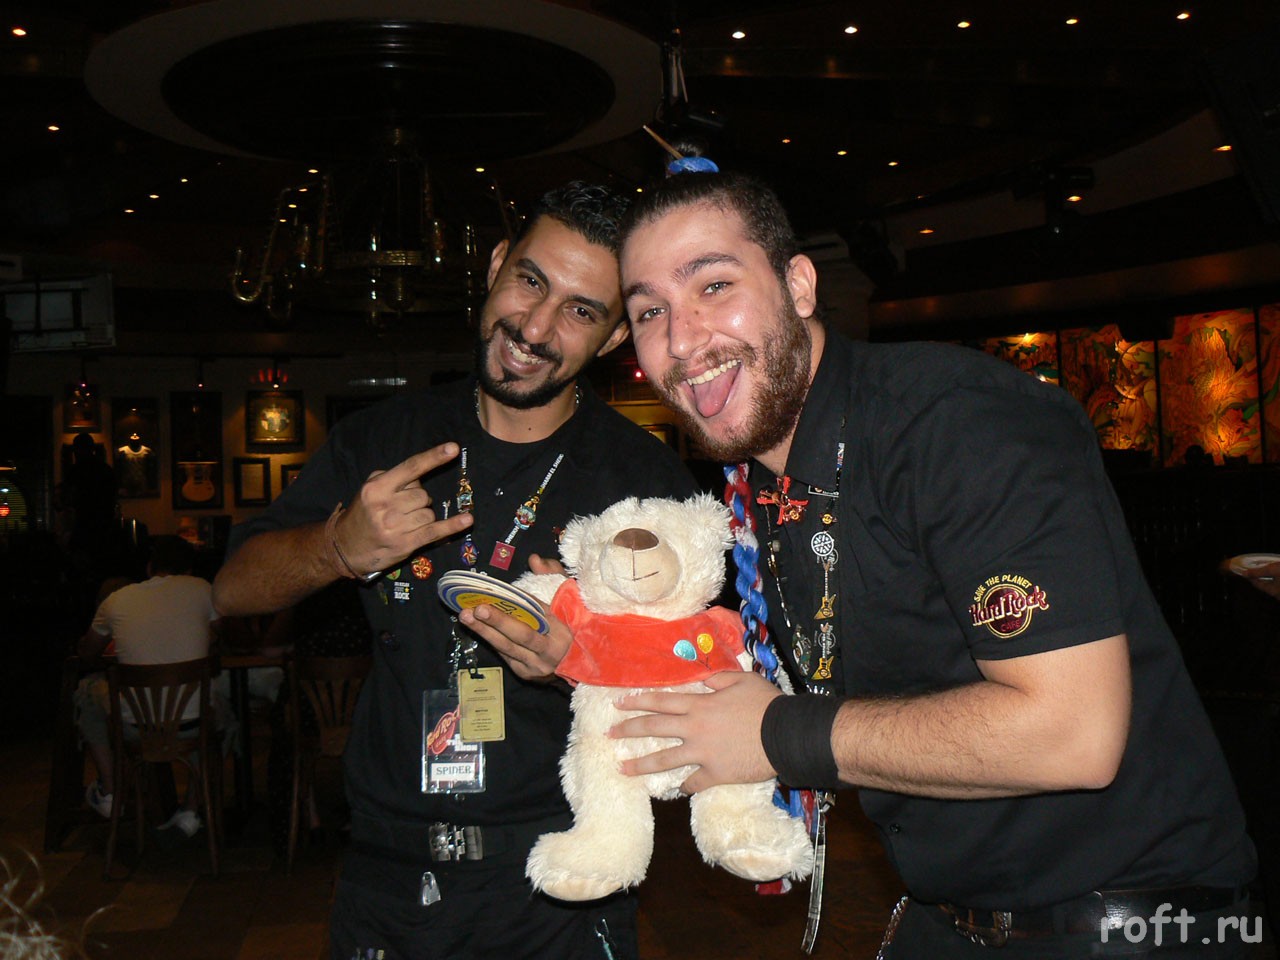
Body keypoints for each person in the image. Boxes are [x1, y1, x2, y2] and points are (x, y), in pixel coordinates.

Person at [605, 171, 1258, 957]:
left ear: (800, 286)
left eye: (713, 285)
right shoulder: (762, 490)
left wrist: (778, 734)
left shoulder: (956, 422)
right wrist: (579, 651)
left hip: (1133, 925)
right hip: (948, 919)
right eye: (649, 311)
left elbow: (1074, 733)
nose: (682, 339)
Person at [212, 181, 696, 960]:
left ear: (612, 337)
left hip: (559, 878)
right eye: (530, 280)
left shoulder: (644, 482)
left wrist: (580, 661)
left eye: (580, 311)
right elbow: (232, 589)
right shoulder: (382, 438)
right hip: (387, 875)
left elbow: (690, 684)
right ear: (497, 264)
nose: (534, 327)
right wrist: (338, 546)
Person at [76, 534, 221, 838]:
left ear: (149, 567)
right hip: (192, 725)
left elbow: (87, 653)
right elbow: (222, 634)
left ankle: (111, 789)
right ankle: (191, 810)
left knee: (88, 691)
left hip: (135, 727)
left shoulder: (116, 600)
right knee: (220, 716)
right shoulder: (203, 590)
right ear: (190, 570)